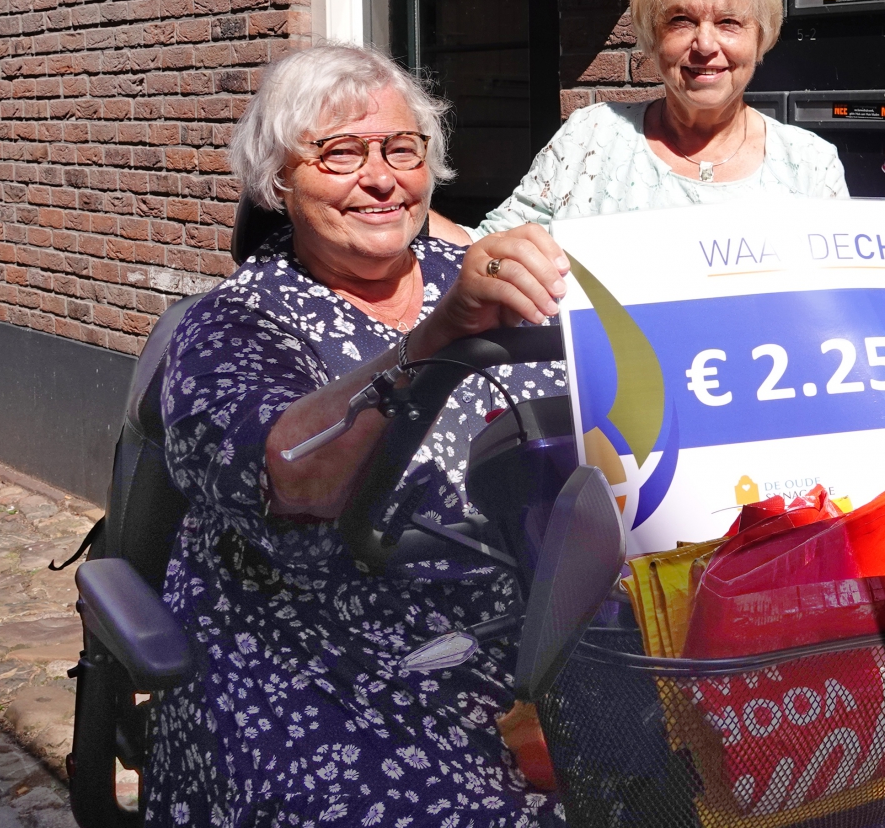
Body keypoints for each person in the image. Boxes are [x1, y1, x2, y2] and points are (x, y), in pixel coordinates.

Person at [150, 44, 571, 827]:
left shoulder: (485, 277)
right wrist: (437, 338)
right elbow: (292, 479)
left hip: (522, 644)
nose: (380, 178)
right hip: (309, 654)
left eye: (401, 148)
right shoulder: (234, 324)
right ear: (279, 178)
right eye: (340, 153)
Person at [470, 0, 847, 236]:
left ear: (760, 37)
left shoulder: (810, 164)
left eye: (729, 22)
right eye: (681, 20)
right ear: (653, 36)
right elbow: (495, 245)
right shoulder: (590, 137)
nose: (704, 44)